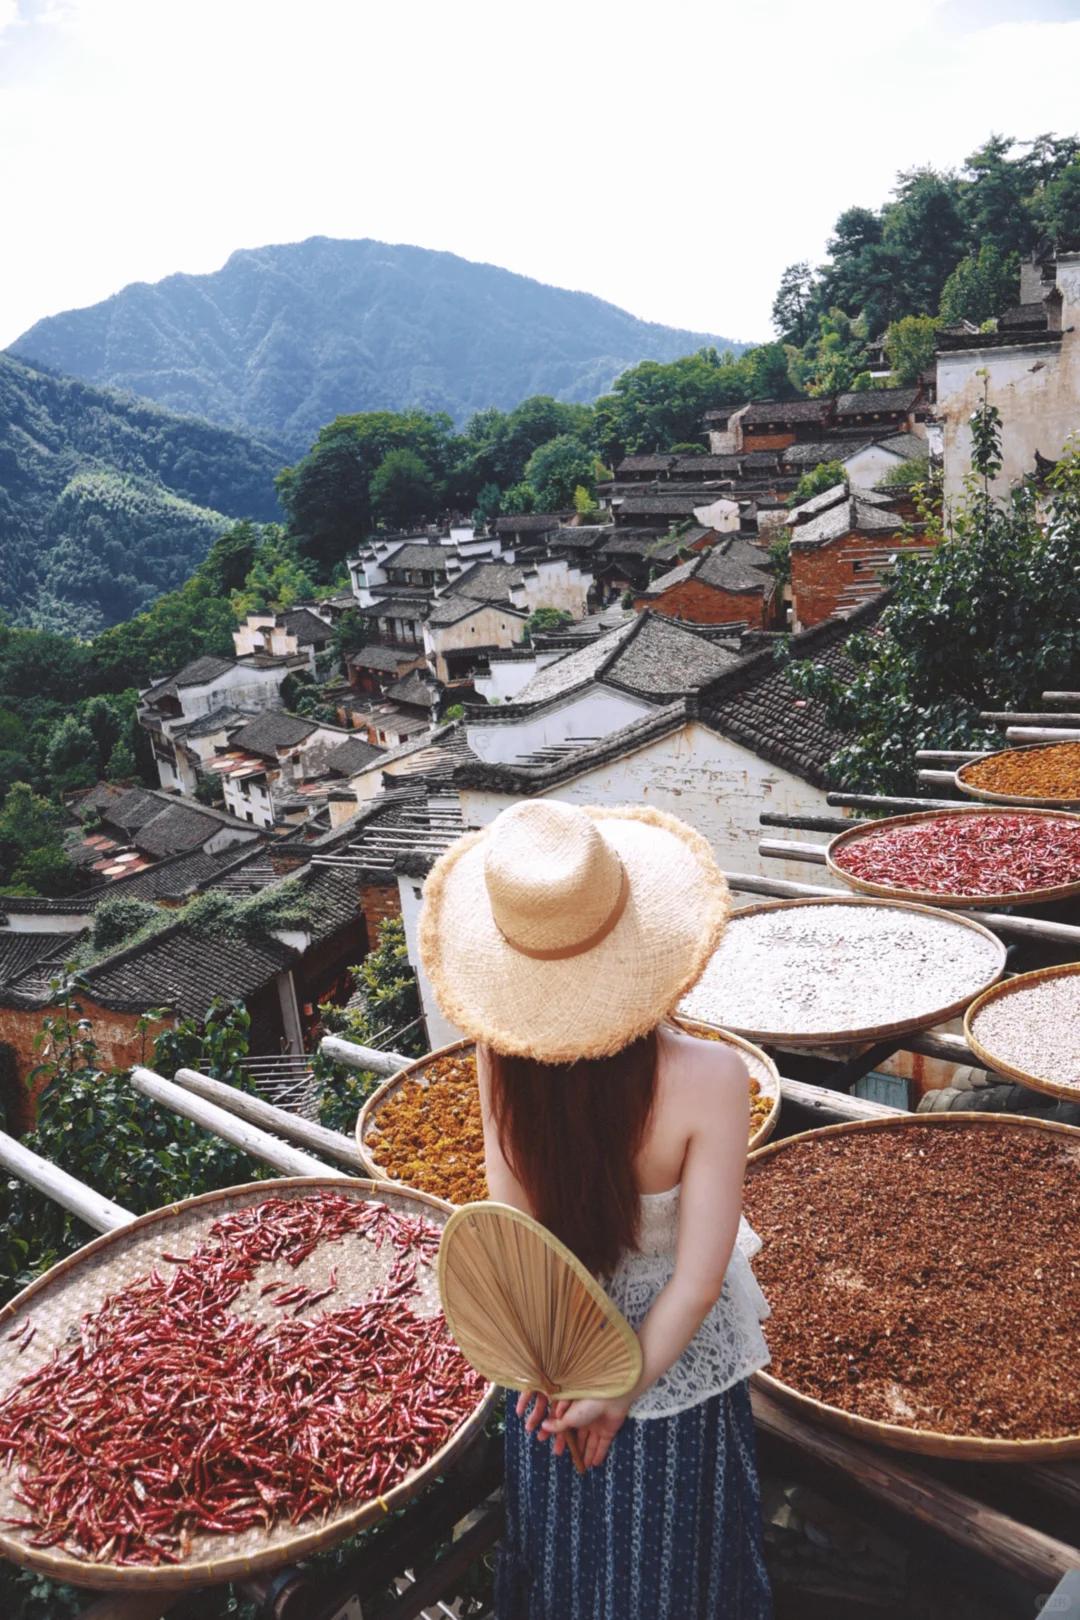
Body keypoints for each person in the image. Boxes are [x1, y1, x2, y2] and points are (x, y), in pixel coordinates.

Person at [419, 798, 773, 1620]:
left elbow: (519, 1245)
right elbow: (696, 1280)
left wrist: (563, 1379)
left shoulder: (497, 1060)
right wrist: (624, 1390)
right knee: (678, 1558)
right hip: (671, 1370)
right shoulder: (715, 1081)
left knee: (573, 1564)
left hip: (550, 1357)